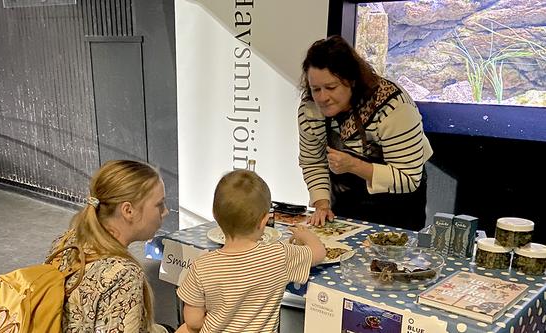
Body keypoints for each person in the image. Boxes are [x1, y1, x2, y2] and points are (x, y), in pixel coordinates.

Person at [298, 35, 433, 230]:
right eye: (315, 89)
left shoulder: (393, 107)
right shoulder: (310, 109)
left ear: (351, 80)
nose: (322, 97)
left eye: (331, 87)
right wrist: (322, 204)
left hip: (398, 202)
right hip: (346, 194)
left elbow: (408, 178)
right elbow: (313, 161)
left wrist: (354, 165)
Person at [176, 170, 326, 333]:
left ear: (215, 215)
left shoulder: (201, 266)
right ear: (264, 221)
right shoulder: (279, 255)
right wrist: (305, 235)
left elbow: (193, 320)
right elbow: (319, 253)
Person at [47, 160, 179, 333]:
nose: (165, 211)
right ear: (128, 211)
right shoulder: (123, 274)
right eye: (159, 204)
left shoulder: (66, 240)